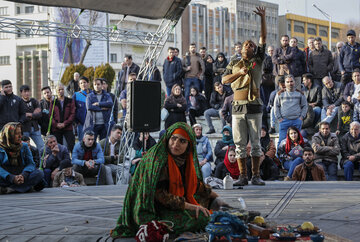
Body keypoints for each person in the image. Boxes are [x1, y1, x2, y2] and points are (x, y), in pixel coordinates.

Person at [110, 122, 227, 238]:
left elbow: (194, 185)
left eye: (182, 141)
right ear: (168, 138)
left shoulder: (184, 159)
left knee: (206, 207)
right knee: (200, 218)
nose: (176, 144)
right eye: (174, 138)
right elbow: (161, 196)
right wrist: (192, 207)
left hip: (175, 199)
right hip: (152, 206)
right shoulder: (158, 160)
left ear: (189, 145)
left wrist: (217, 197)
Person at [222, 6, 267, 186]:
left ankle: (256, 175)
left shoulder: (258, 60)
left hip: (254, 104)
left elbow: (263, 38)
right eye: (247, 44)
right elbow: (224, 79)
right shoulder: (234, 62)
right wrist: (239, 73)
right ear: (241, 49)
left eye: (252, 45)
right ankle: (243, 176)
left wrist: (262, 18)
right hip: (238, 105)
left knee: (255, 143)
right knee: (239, 143)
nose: (250, 46)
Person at [0, 122, 44, 193]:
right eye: (16, 134)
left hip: (21, 175)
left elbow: (31, 164)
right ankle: (24, 187)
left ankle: (11, 189)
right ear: (9, 134)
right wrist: (11, 177)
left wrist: (24, 175)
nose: (20, 136)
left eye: (20, 133)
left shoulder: (24, 146)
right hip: (6, 176)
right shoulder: (0, 147)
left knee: (39, 173)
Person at [274, 74, 308, 145]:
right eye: (288, 82)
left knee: (297, 142)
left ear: (294, 82)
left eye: (291, 81)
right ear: (285, 83)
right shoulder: (280, 94)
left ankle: (295, 155)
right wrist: (279, 118)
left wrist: (301, 117)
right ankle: (279, 156)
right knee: (281, 142)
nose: (290, 83)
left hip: (296, 121)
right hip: (284, 121)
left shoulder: (300, 94)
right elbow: (276, 106)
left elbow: (305, 106)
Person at [19, 84, 44, 153]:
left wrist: (30, 115)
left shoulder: (34, 101)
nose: (27, 93)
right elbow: (21, 116)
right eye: (25, 91)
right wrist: (32, 114)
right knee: (24, 147)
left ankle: (42, 163)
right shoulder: (19, 102)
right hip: (24, 129)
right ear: (21, 93)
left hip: (35, 127)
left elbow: (39, 114)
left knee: (42, 147)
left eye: (28, 91)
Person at [53, 84, 75, 152]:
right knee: (58, 146)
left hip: (68, 127)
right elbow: (51, 115)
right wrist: (56, 124)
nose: (60, 91)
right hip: (57, 128)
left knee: (71, 145)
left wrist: (65, 123)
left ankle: (74, 160)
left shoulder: (70, 100)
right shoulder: (53, 102)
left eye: (62, 89)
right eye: (59, 90)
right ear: (56, 91)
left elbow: (73, 114)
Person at [182, 43, 205, 110]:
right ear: (189, 48)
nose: (193, 48)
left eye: (194, 47)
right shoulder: (186, 57)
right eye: (191, 47)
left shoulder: (198, 56)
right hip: (188, 78)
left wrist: (200, 74)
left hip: (195, 78)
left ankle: (197, 109)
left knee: (197, 94)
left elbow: (203, 67)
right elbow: (182, 67)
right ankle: (187, 110)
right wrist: (186, 69)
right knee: (186, 94)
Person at [73, 76, 92, 140]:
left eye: (85, 82)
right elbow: (72, 109)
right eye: (81, 83)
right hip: (81, 124)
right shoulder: (76, 95)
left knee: (91, 141)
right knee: (82, 142)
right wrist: (76, 121)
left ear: (88, 83)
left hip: (92, 123)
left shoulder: (93, 94)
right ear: (79, 85)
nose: (83, 84)